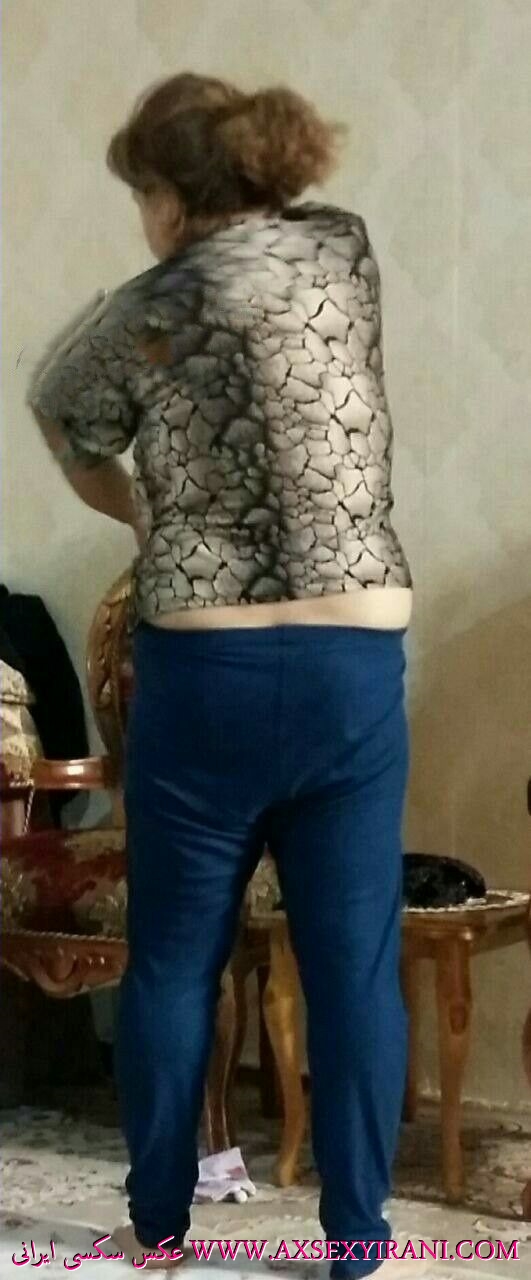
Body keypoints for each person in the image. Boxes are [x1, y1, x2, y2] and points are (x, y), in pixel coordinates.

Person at [28, 73, 422, 1279]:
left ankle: (160, 1223)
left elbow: (59, 409)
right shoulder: (342, 248)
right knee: (352, 965)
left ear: (167, 194)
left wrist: (146, 512)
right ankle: (357, 1236)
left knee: (172, 960)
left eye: (143, 194)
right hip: (353, 656)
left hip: (208, 666)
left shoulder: (145, 313)